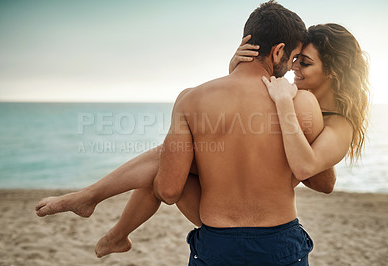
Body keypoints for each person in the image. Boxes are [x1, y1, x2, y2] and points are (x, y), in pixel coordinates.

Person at [35, 1, 370, 264]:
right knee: (176, 156)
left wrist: (232, 82)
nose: (294, 68)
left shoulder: (194, 98)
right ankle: (97, 211)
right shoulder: (305, 103)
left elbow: (168, 190)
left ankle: (92, 202)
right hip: (278, 242)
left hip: (217, 241)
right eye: (294, 58)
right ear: (279, 51)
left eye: (303, 62)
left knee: (168, 160)